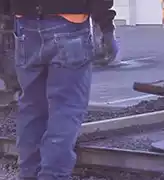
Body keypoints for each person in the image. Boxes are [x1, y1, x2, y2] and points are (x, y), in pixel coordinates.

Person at [0, 0, 116, 179]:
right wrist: (106, 26)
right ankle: (52, 175)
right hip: (69, 24)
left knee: (31, 107)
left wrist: (8, 15)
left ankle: (29, 173)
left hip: (25, 24)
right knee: (66, 107)